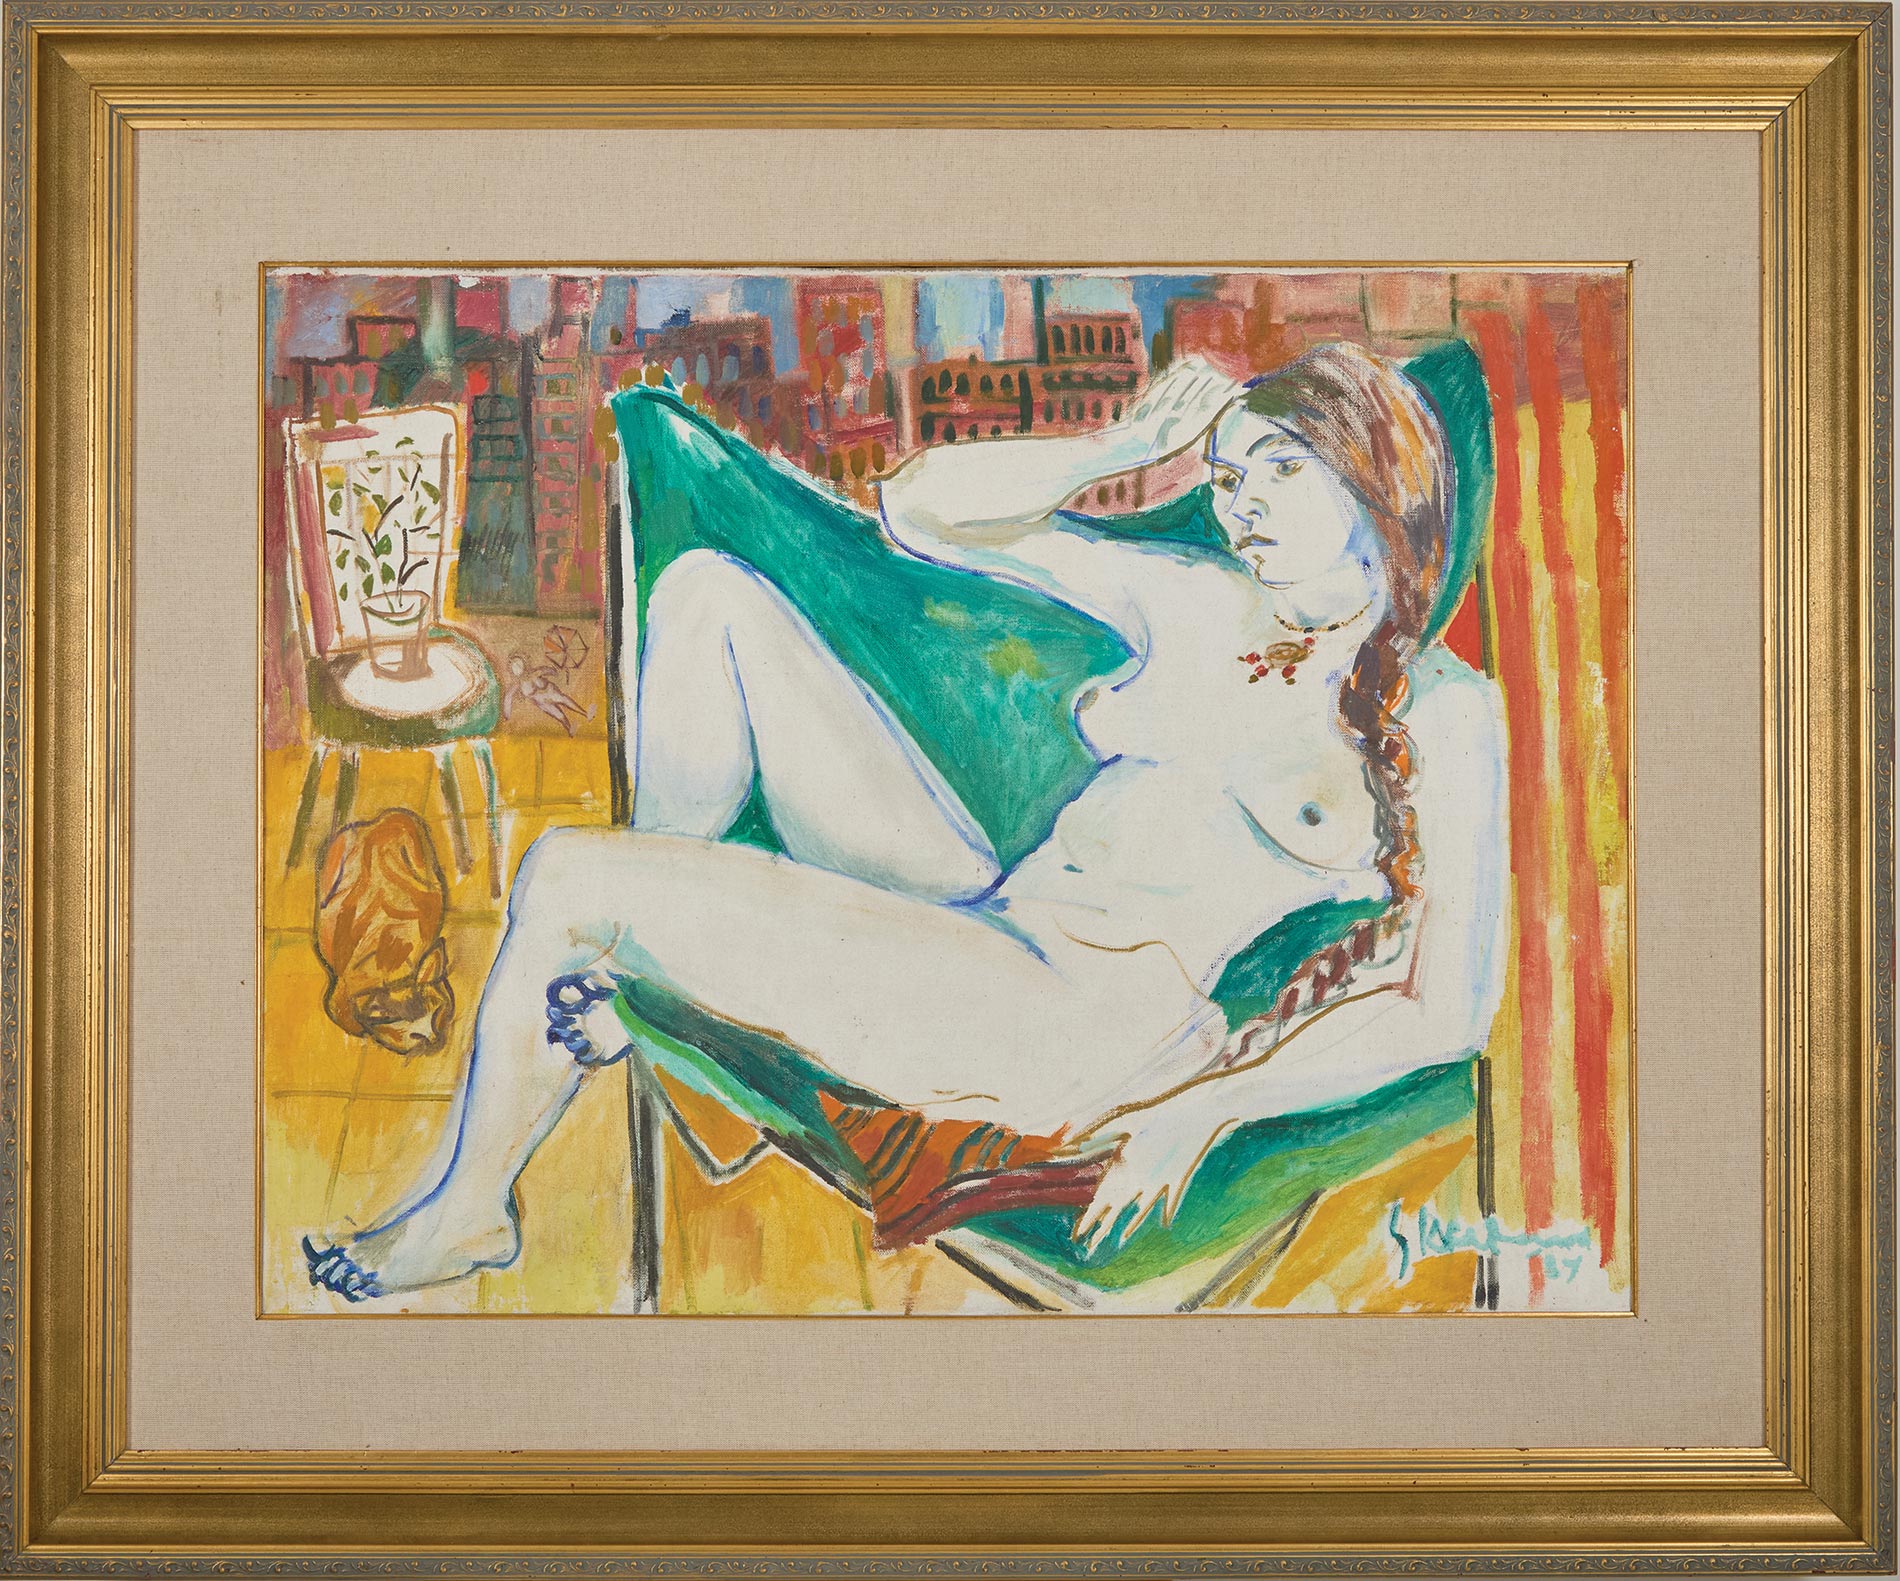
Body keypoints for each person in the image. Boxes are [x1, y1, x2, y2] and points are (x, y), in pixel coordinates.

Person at [301, 343, 1510, 1300]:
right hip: (990, 916)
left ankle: (470, 1212)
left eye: (1280, 471)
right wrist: (1123, 448)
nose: (1242, 506)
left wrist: (1200, 1109)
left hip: (1069, 1025)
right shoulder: (1199, 596)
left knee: (570, 875)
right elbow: (919, 510)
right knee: (710, 597)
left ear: (1375, 475)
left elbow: (1445, 1010)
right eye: (1230, 478)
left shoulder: (1447, 711)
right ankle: (661, 986)